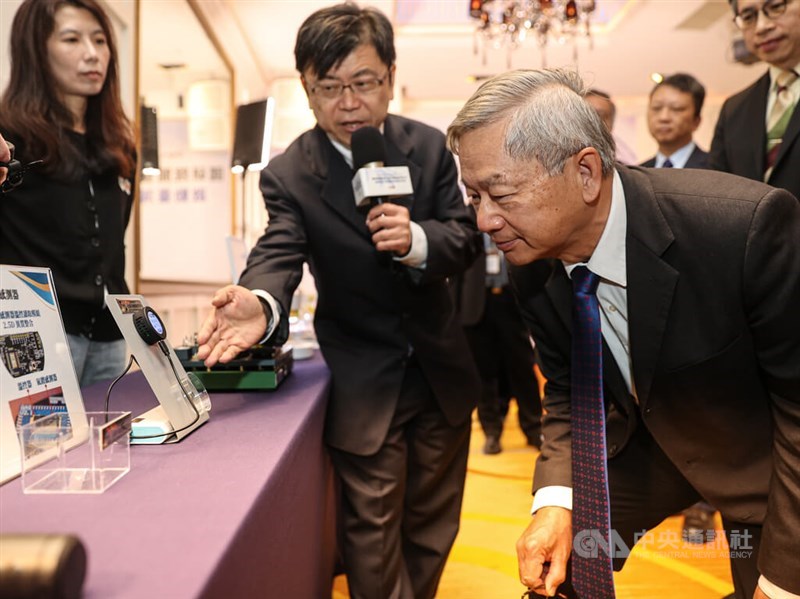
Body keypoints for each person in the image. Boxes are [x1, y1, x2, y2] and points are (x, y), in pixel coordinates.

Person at [447, 68, 800, 599]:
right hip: (647, 443)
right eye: (473, 197)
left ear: (586, 173)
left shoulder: (743, 228)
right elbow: (568, 389)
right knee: (560, 572)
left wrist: (782, 582)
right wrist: (555, 503)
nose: (484, 222)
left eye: (500, 193)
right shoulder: (531, 258)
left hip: (769, 457)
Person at [196, 4, 481, 598]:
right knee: (371, 545)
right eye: (329, 88)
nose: (348, 103)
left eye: (363, 83)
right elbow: (278, 250)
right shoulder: (289, 173)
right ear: (306, 89)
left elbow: (464, 236)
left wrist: (418, 240)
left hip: (441, 374)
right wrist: (259, 300)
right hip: (363, 383)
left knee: (432, 530)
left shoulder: (428, 148)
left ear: (391, 78)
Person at [0, 0, 136, 387]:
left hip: (110, 338)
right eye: (72, 39)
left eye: (100, 40)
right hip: (31, 337)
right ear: (36, 49)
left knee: (108, 446)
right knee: (40, 446)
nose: (92, 54)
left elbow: (113, 245)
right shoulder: (7, 137)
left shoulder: (119, 146)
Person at [454, 233, 543, 455]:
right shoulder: (466, 222)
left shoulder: (510, 220)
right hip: (477, 305)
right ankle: (491, 432)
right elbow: (456, 268)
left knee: (522, 369)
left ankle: (534, 429)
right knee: (483, 374)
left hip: (511, 302)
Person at [709, 0, 800, 198]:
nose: (761, 27)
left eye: (776, 7)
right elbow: (716, 197)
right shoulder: (733, 110)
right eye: (749, 17)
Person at [641, 73, 708, 169]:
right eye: (656, 108)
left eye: (676, 109)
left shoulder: (716, 169)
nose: (664, 117)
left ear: (696, 121)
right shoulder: (636, 174)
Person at [584, 89, 637, 165]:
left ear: (611, 124)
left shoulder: (625, 174)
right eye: (586, 115)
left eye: (600, 115)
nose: (593, 122)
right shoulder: (562, 170)